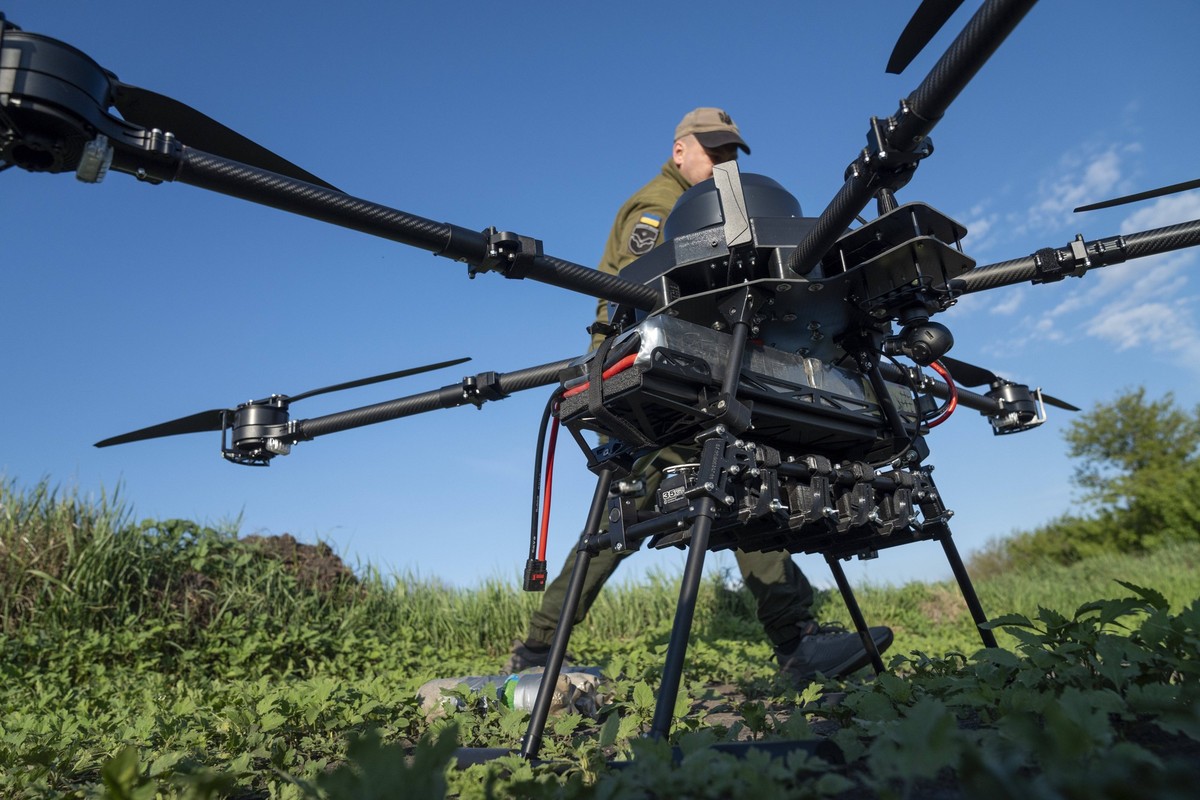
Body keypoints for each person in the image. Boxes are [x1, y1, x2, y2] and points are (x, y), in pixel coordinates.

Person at [506, 108, 893, 682]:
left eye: (730, 153)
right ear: (681, 150)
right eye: (714, 151)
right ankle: (796, 642)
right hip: (651, 377)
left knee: (651, 508)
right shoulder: (661, 205)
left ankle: (538, 649)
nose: (723, 164)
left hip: (684, 371)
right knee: (720, 479)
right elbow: (645, 285)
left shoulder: (705, 200)